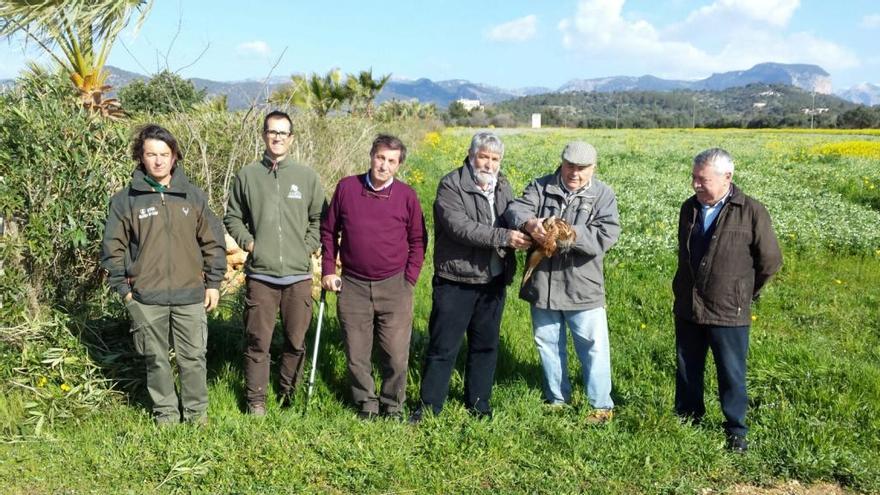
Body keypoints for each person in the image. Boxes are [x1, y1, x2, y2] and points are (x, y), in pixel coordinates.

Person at [101, 124, 226, 425]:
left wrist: (213, 283)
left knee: (193, 359)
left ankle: (197, 415)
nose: (158, 160)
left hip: (190, 294)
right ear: (141, 157)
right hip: (146, 296)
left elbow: (213, 241)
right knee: (156, 360)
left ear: (174, 157)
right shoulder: (125, 200)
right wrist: (125, 290)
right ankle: (166, 415)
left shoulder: (192, 196)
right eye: (151, 154)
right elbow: (112, 247)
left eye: (164, 154)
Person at [409, 132, 532, 424]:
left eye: (495, 159)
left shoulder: (502, 185)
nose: (489, 164)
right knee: (443, 347)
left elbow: (512, 214)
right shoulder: (451, 185)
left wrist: (531, 226)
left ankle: (479, 406)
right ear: (471, 155)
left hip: (492, 281)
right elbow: (461, 228)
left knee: (485, 346)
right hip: (457, 280)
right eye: (484, 157)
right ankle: (428, 408)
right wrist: (505, 237)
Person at [673, 148, 782, 452]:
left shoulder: (751, 211)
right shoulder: (688, 208)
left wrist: (744, 293)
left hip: (729, 309)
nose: (695, 184)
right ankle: (687, 417)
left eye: (702, 179)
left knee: (731, 371)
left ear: (727, 177)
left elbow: (770, 261)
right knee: (686, 366)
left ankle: (736, 430)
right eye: (693, 177)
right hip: (688, 305)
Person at [504, 141, 620, 424]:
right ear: (562, 163)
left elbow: (607, 234)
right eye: (570, 166)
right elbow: (516, 209)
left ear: (594, 168)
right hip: (543, 285)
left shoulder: (603, 195)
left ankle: (601, 405)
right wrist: (531, 224)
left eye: (582, 169)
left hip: (583, 286)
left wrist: (568, 234)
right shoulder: (541, 187)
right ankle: (557, 399)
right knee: (547, 344)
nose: (575, 173)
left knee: (593, 346)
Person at [224, 110, 325, 416]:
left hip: (298, 276)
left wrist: (305, 247)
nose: (277, 137)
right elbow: (233, 216)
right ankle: (256, 401)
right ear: (264, 135)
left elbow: (320, 219)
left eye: (283, 133)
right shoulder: (248, 175)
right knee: (258, 342)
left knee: (295, 341)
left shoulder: (306, 177)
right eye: (272, 132)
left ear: (291, 138)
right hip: (262, 276)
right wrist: (251, 244)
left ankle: (287, 394)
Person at [320, 134, 426, 421]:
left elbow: (418, 240)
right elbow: (329, 231)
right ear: (371, 156)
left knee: (395, 353)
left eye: (391, 161)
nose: (384, 166)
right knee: (357, 352)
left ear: (399, 165)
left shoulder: (407, 197)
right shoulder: (347, 188)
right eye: (380, 158)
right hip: (353, 283)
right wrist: (329, 269)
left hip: (395, 284)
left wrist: (410, 279)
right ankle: (366, 402)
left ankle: (392, 405)